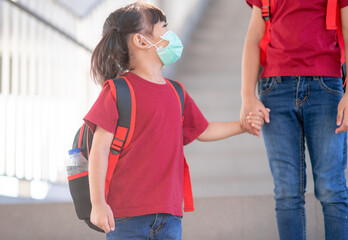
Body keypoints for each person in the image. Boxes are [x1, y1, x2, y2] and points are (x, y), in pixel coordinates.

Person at [84, 2, 265, 239]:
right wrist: (97, 204)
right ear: (141, 41)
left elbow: (203, 129)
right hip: (126, 216)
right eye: (163, 28)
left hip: (169, 216)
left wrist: (242, 126)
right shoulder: (117, 91)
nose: (171, 35)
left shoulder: (176, 92)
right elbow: (99, 150)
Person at [241, 0, 348, 239]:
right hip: (275, 90)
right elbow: (254, 38)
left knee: (331, 187)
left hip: (326, 89)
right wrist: (247, 95)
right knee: (286, 192)